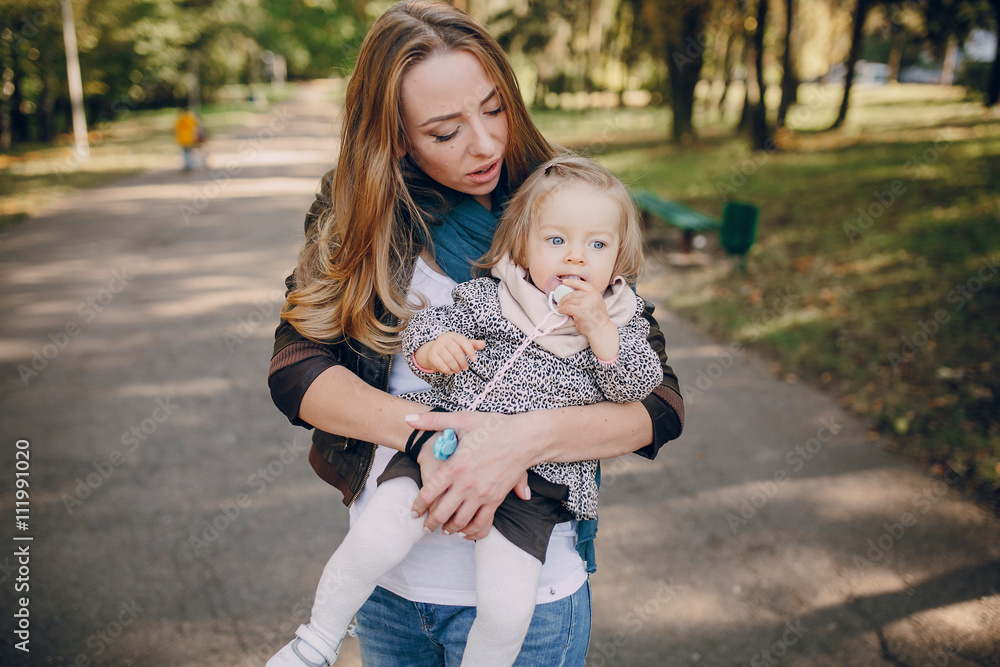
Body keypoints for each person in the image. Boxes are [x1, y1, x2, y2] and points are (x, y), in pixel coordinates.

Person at [267, 2, 685, 664]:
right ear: (397, 138)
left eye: (495, 109)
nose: (486, 144)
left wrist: (521, 440)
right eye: (445, 131)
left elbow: (659, 404)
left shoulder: (563, 208)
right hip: (390, 587)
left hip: (533, 596)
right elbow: (296, 369)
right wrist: (423, 437)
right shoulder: (359, 215)